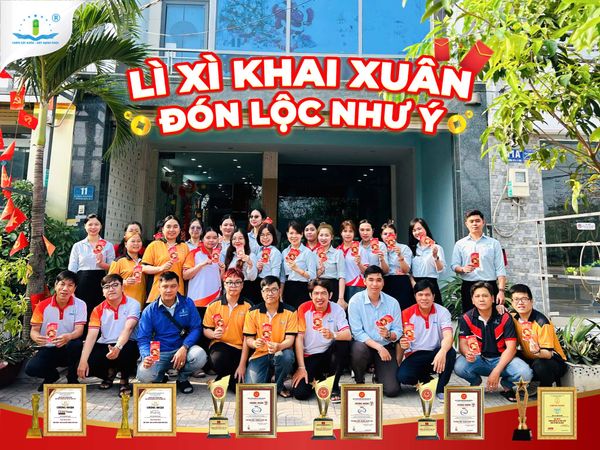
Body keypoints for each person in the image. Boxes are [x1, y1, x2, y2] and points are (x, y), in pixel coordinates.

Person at [454, 282, 533, 401]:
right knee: (459, 366)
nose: (481, 299)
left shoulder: (504, 317)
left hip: (502, 359)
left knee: (525, 374)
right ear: (472, 300)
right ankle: (475, 381)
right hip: (479, 359)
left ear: (492, 298)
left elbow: (511, 349)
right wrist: (467, 353)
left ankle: (506, 384)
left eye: (485, 296)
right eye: (477, 296)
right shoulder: (466, 318)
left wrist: (496, 372)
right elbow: (462, 344)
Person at [136, 271, 207, 394]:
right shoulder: (149, 310)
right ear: (159, 287)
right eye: (165, 286)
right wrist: (147, 356)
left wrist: (185, 347)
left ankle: (182, 379)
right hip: (157, 349)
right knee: (144, 375)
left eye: (173, 286)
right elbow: (143, 338)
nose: (169, 290)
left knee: (199, 355)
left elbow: (196, 328)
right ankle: (159, 377)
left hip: (180, 347)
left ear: (178, 287)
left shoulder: (187, 303)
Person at [77, 274, 140, 396]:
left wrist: (118, 347)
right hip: (106, 344)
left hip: (126, 343)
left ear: (122, 287)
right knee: (85, 362)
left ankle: (124, 380)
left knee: (128, 349)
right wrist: (83, 361)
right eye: (106, 287)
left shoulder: (133, 304)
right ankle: (110, 373)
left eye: (115, 285)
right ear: (103, 292)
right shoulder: (98, 309)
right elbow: (91, 336)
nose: (111, 289)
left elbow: (128, 328)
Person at [292, 279, 351, 402]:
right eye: (316, 293)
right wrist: (301, 367)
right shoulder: (303, 308)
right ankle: (319, 379)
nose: (319, 297)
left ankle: (333, 385)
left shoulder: (337, 309)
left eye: (323, 293)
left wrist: (333, 334)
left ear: (330, 295)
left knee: (342, 343)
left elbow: (348, 335)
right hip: (309, 356)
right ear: (310, 295)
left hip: (328, 355)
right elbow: (299, 338)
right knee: (300, 393)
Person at [26, 271, 86, 391]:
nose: (65, 289)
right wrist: (36, 337)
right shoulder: (42, 305)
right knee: (31, 368)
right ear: (55, 285)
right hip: (49, 347)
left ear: (75, 288)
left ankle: (72, 378)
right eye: (62, 284)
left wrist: (68, 337)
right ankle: (51, 376)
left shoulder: (80, 305)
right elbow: (34, 331)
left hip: (69, 347)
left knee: (76, 344)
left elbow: (79, 330)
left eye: (70, 285)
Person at [396, 280, 455, 401]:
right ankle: (427, 380)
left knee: (450, 352)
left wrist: (442, 351)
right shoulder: (406, 313)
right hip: (415, 354)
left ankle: (440, 389)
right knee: (403, 376)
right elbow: (402, 340)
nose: (424, 298)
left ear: (433, 296)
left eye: (427, 295)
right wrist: (402, 345)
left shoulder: (442, 312)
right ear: (415, 296)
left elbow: (448, 336)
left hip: (435, 352)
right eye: (420, 295)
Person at [348, 265, 401, 397]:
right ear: (364, 281)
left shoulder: (393, 302)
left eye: (378, 280)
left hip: (385, 346)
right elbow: (357, 332)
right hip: (364, 345)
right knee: (357, 350)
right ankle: (359, 380)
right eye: (371, 280)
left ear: (383, 282)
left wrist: (389, 335)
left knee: (392, 390)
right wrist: (378, 347)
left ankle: (379, 376)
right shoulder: (355, 301)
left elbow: (398, 330)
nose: (374, 284)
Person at [243, 276, 297, 398]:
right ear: (262, 292)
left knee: (287, 357)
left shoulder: (291, 312)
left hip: (281, 352)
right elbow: (248, 339)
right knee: (252, 389)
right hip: (260, 354)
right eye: (267, 290)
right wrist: (254, 343)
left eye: (274, 289)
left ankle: (279, 386)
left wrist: (279, 346)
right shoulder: (252, 312)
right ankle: (268, 376)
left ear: (279, 291)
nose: (270, 293)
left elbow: (290, 339)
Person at [203, 268, 252, 391]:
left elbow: (248, 337)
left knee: (238, 386)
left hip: (241, 348)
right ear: (224, 284)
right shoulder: (214, 305)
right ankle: (227, 378)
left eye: (237, 282)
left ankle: (223, 379)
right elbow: (206, 329)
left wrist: (242, 365)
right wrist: (213, 334)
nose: (233, 286)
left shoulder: (249, 307)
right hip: (221, 345)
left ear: (242, 285)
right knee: (218, 359)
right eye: (229, 282)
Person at [509, 284, 567, 387]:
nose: (520, 303)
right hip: (530, 357)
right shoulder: (513, 316)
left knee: (540, 365)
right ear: (512, 303)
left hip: (552, 361)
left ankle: (544, 390)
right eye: (516, 299)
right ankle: (511, 387)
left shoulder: (542, 322)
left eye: (524, 299)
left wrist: (537, 352)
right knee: (506, 356)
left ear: (531, 301)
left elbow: (548, 354)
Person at [451, 210, 507, 312]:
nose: (475, 224)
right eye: (471, 221)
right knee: (470, 316)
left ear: (483, 222)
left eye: (477, 221)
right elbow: (454, 265)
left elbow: (500, 268)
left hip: (489, 285)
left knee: (493, 317)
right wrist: (463, 269)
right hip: (468, 285)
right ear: (466, 224)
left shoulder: (494, 243)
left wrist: (501, 291)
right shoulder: (460, 244)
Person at [68, 214, 115, 318]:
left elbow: (113, 268)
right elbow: (72, 269)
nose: (93, 227)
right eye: (90, 224)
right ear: (85, 226)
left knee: (98, 313)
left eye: (96, 224)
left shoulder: (108, 245)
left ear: (101, 226)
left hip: (100, 282)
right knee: (81, 312)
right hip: (82, 282)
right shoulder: (78, 246)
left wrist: (102, 263)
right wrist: (70, 287)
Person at [142, 215, 190, 303]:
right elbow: (143, 268)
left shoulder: (184, 247)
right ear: (163, 229)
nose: (172, 229)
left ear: (180, 229)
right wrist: (160, 268)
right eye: (168, 226)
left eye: (175, 226)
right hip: (157, 294)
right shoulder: (154, 245)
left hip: (178, 293)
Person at [408, 218, 445, 305]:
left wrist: (435, 256)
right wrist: (413, 282)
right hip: (416, 284)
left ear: (425, 229)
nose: (417, 232)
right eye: (414, 230)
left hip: (431, 283)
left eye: (419, 229)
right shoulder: (411, 249)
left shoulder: (437, 247)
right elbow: (408, 270)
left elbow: (441, 270)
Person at [183, 227, 223, 308]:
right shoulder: (194, 253)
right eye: (208, 238)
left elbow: (220, 279)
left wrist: (223, 269)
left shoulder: (219, 255)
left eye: (214, 238)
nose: (211, 240)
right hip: (197, 298)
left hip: (215, 297)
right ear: (202, 239)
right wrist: (202, 264)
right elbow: (185, 275)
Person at [282, 220, 317, 309]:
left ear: (301, 234)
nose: (294, 236)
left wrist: (297, 269)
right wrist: (280, 293)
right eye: (291, 233)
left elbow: (313, 275)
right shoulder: (285, 252)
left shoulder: (307, 252)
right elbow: (282, 275)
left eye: (297, 233)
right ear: (287, 234)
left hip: (302, 288)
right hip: (288, 288)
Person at [108, 230, 146, 307]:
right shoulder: (119, 261)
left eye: (139, 241)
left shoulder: (145, 261)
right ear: (125, 244)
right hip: (123, 304)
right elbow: (109, 281)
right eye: (133, 241)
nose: (136, 243)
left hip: (141, 304)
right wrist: (124, 282)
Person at [381, 222, 413, 310]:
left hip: (401, 281)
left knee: (404, 309)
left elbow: (406, 270)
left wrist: (400, 256)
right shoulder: (379, 248)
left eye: (390, 234)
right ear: (381, 236)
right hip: (385, 281)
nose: (388, 236)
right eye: (385, 234)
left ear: (395, 235)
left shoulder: (404, 248)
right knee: (388, 310)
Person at [223, 228, 259, 303]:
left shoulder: (251, 256)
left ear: (246, 240)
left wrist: (249, 263)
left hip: (245, 291)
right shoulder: (230, 255)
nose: (237, 241)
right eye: (234, 239)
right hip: (230, 291)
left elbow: (252, 278)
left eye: (240, 238)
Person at [315, 222, 346, 307]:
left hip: (333, 287)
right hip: (318, 286)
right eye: (321, 235)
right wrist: (319, 272)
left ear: (332, 237)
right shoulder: (313, 253)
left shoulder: (338, 253)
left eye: (326, 235)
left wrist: (341, 298)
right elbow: (311, 276)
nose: (323, 238)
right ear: (317, 236)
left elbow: (342, 276)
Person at [338, 220, 367, 301]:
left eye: (350, 231)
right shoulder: (337, 250)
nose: (348, 234)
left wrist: (359, 263)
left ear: (354, 233)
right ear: (341, 233)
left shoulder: (360, 249)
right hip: (340, 287)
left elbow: (366, 272)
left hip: (357, 286)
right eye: (345, 231)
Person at [255, 222, 283, 298]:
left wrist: (270, 289)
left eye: (268, 234)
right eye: (262, 235)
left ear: (273, 235)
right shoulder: (259, 251)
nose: (265, 237)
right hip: (258, 284)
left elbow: (275, 275)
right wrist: (258, 269)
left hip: (268, 286)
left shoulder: (275, 252)